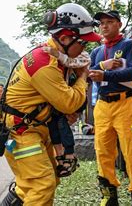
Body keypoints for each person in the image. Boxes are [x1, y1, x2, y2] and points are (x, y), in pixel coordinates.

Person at [0, 2, 101, 205]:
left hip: (35, 127)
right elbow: (69, 103)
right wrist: (83, 77)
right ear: (64, 38)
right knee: (42, 184)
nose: (85, 48)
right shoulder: (45, 64)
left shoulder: (57, 59)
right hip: (22, 130)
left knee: (46, 180)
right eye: (83, 42)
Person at [89, 10, 132, 206]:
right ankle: (108, 195)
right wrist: (102, 66)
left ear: (119, 24)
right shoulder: (96, 51)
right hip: (102, 105)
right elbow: (87, 73)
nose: (104, 26)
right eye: (101, 23)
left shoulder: (129, 45)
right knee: (103, 151)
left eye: (109, 22)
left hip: (127, 103)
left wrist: (105, 74)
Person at [42, 46, 91, 177]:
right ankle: (59, 155)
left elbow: (73, 62)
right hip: (61, 100)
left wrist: (57, 54)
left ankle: (69, 154)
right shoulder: (55, 64)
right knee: (53, 122)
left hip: (76, 98)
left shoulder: (83, 55)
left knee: (61, 123)